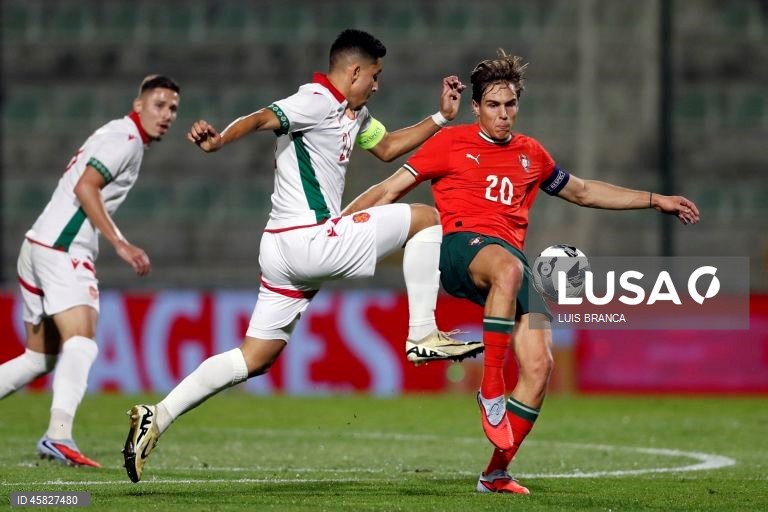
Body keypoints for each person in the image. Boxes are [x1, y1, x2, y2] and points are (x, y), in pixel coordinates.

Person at [122, 28, 482, 483]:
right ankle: (423, 332)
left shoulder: (355, 114)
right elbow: (259, 118)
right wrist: (217, 142)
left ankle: (158, 414)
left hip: (280, 249)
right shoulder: (314, 99)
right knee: (428, 218)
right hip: (307, 241)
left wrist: (439, 117)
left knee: (256, 358)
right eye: (374, 75)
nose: (377, 84)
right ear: (354, 71)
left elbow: (388, 147)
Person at [342, 50, 701, 494]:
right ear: (476, 108)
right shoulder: (450, 143)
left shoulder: (531, 154)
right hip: (460, 251)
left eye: (510, 105)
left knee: (539, 366)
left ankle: (495, 473)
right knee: (510, 269)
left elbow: (585, 191)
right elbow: (391, 188)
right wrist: (339, 228)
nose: (503, 114)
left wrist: (655, 199)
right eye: (493, 105)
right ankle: (490, 388)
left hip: (508, 265)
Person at [0, 75, 181, 467]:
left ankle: (57, 435)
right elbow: (87, 187)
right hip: (62, 248)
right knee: (81, 341)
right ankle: (58, 435)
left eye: (173, 109)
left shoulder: (119, 135)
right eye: (159, 105)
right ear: (138, 105)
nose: (167, 115)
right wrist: (120, 243)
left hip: (37, 243)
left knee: (38, 358)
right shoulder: (125, 139)